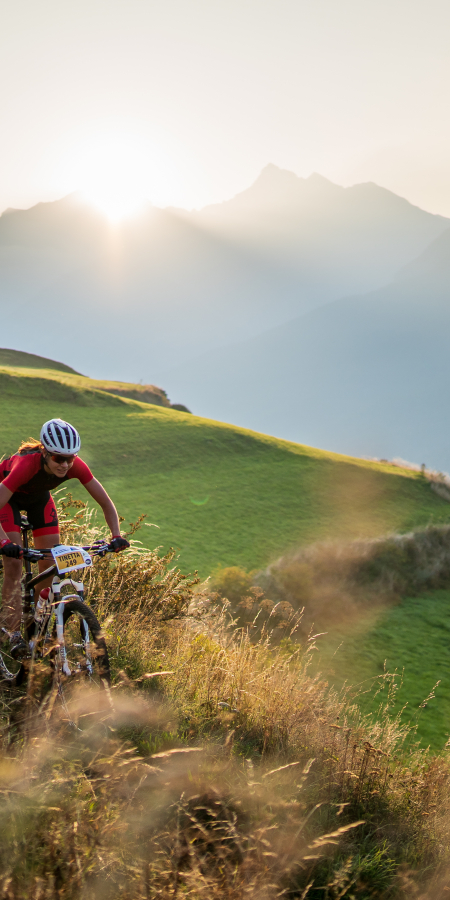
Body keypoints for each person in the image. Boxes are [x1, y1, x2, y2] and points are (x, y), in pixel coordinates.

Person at [0, 418, 129, 654]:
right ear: (45, 453)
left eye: (70, 458)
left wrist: (116, 536)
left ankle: (37, 624)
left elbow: (105, 502)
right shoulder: (26, 466)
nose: (65, 465)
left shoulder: (75, 465)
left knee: (49, 569)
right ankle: (13, 634)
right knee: (14, 564)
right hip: (7, 501)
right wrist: (4, 542)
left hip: (39, 499)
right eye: (59, 459)